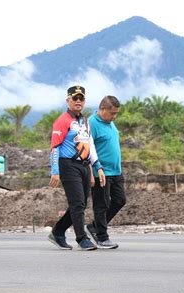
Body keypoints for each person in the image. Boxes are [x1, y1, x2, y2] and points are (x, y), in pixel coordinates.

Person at [48, 85, 106, 251]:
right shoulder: (62, 120)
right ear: (68, 100)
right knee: (77, 203)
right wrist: (55, 171)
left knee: (80, 204)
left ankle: (58, 231)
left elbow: (90, 144)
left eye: (81, 98)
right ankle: (82, 238)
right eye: (75, 98)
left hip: (84, 166)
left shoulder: (85, 121)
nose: (78, 101)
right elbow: (54, 147)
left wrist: (97, 166)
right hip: (68, 165)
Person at [85, 95, 126, 249]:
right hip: (101, 171)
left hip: (116, 171)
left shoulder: (110, 123)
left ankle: (94, 226)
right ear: (102, 109)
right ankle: (102, 237)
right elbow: (87, 149)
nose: (114, 117)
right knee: (101, 204)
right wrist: (92, 171)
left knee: (120, 200)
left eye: (116, 113)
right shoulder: (91, 124)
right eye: (112, 113)